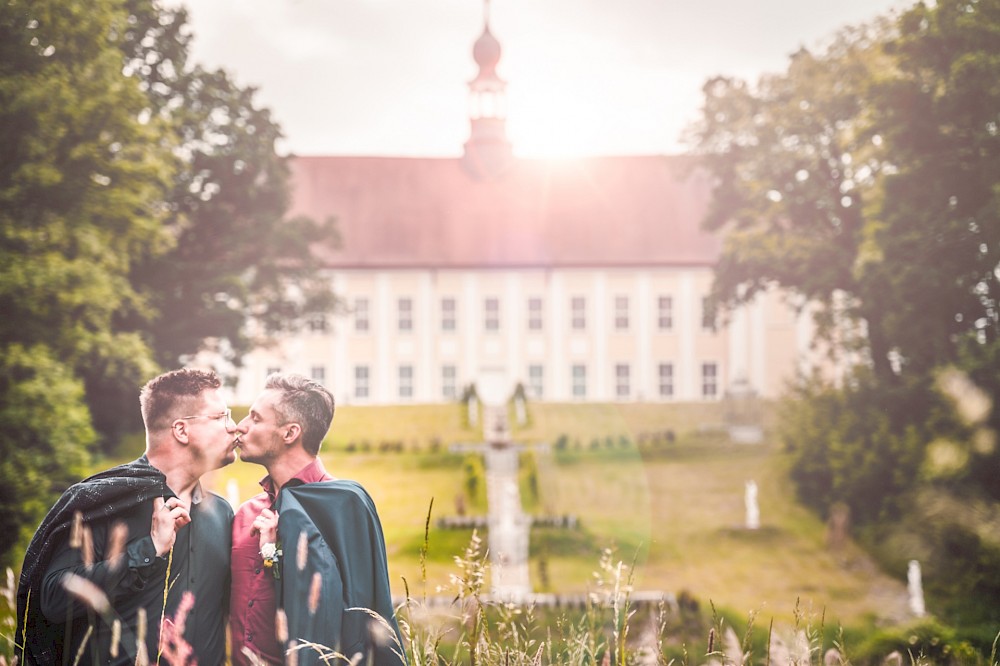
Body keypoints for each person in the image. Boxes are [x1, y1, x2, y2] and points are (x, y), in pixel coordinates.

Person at [15, 368, 239, 666]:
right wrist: (148, 550)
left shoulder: (223, 513)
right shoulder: (106, 503)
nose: (234, 427)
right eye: (221, 417)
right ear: (181, 430)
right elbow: (54, 601)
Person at [230, 373, 405, 666]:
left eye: (256, 418)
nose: (241, 426)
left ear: (290, 433)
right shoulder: (245, 515)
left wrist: (273, 552)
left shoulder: (346, 507)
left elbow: (365, 616)